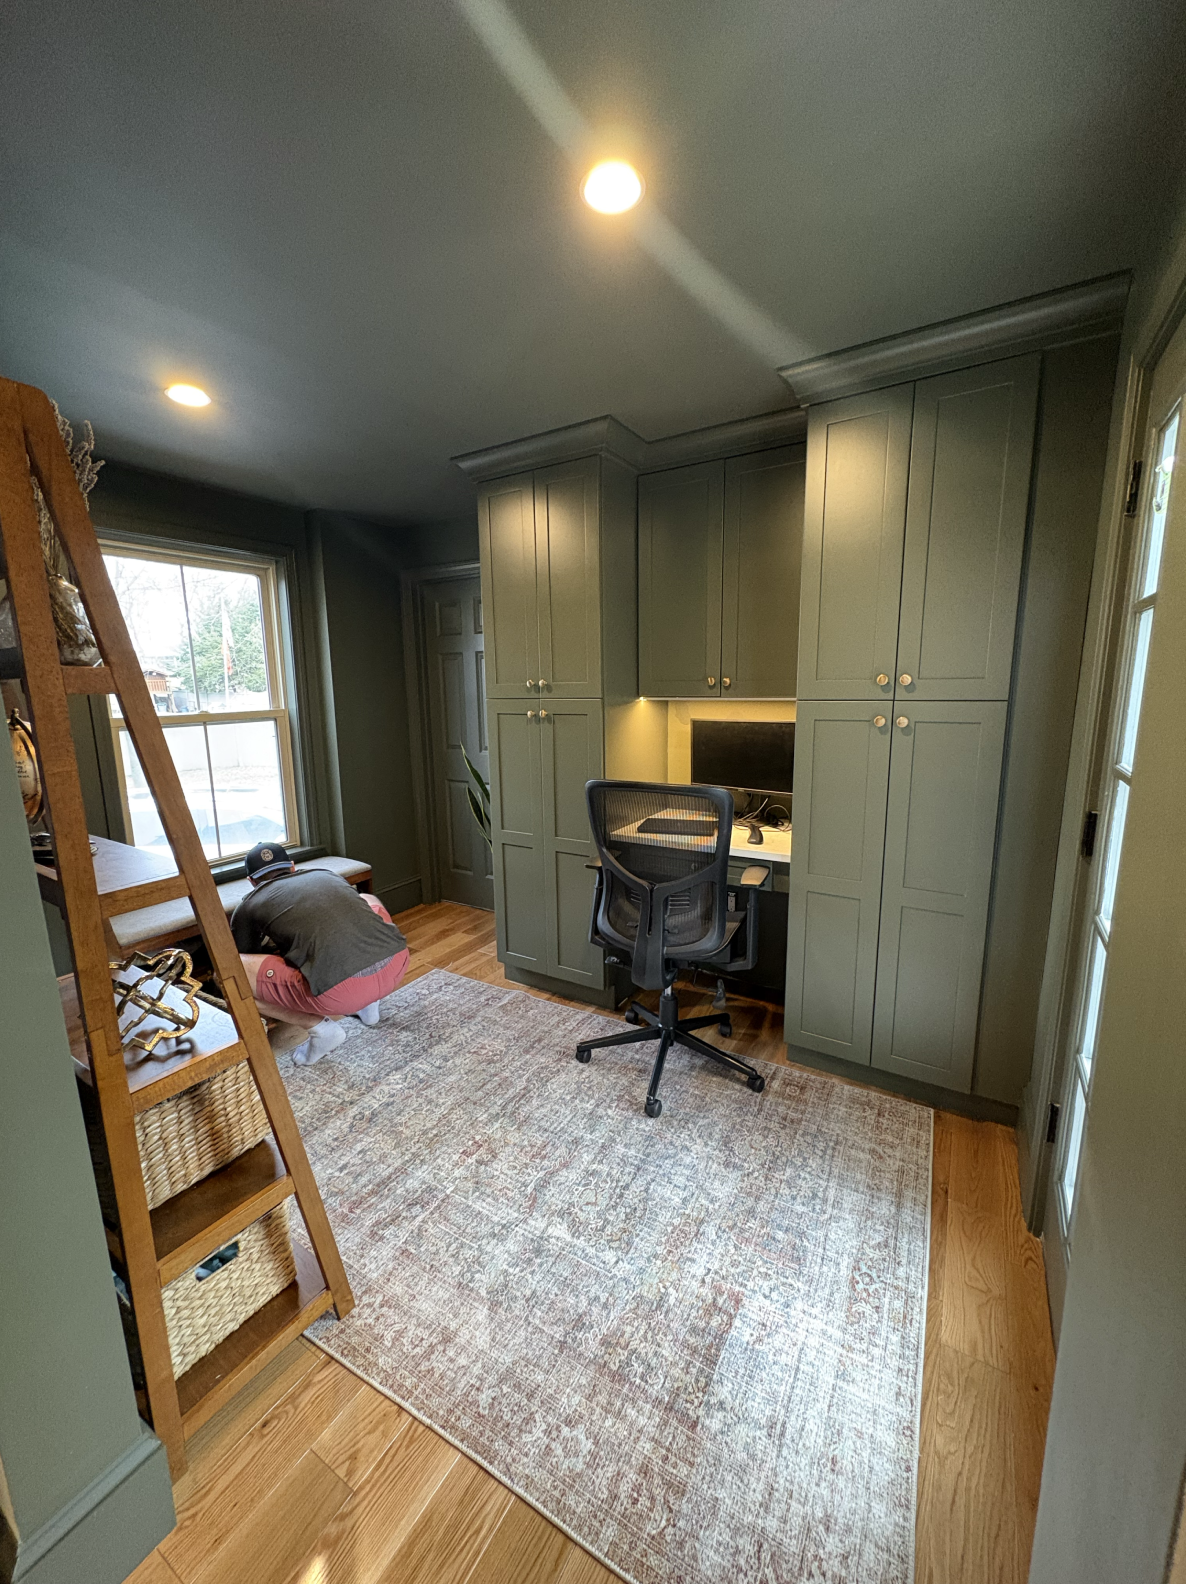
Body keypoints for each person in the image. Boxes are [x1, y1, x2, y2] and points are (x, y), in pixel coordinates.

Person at [231, 842, 409, 1065]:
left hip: (342, 993)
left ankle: (320, 1029)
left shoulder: (249, 903)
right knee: (368, 901)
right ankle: (369, 1007)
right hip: (396, 963)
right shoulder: (327, 874)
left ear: (251, 881)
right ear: (293, 867)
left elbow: (244, 953)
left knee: (228, 974)